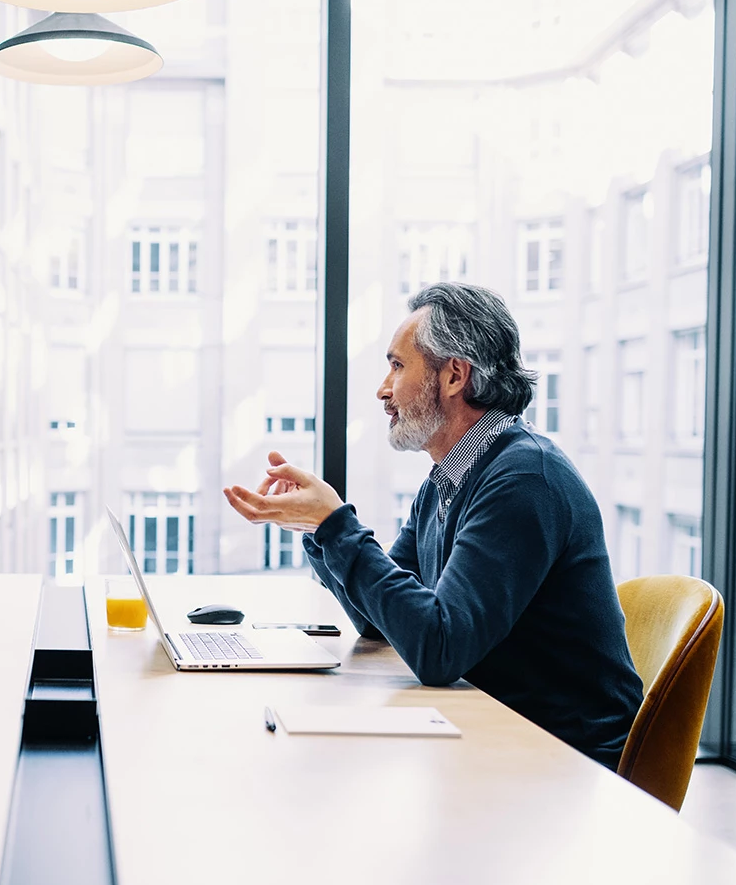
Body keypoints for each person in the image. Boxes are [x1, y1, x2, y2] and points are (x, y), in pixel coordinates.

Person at [224, 282, 643, 768]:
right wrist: (319, 530)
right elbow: (378, 621)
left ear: (453, 376)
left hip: (569, 764)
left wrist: (335, 523)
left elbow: (439, 650)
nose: (383, 389)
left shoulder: (525, 480)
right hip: (500, 735)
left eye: (398, 366)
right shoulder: (450, 478)